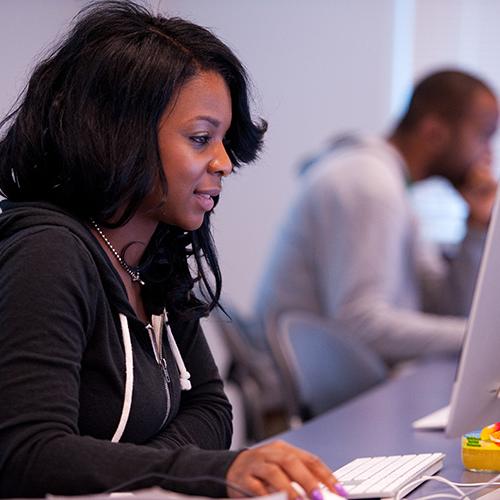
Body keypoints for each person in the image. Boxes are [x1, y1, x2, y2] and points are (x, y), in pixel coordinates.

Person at [0, 2, 347, 498]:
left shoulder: (153, 254)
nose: (225, 163)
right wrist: (200, 470)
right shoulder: (47, 254)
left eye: (223, 140)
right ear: (117, 135)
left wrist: (168, 470)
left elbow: (211, 408)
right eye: (201, 138)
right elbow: (28, 454)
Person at [255, 69, 498, 365]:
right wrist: (482, 338)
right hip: (311, 401)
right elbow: (359, 326)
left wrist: (476, 226)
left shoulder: (395, 186)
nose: (488, 155)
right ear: (434, 132)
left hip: (347, 386)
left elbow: (446, 307)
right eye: (484, 136)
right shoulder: (370, 185)